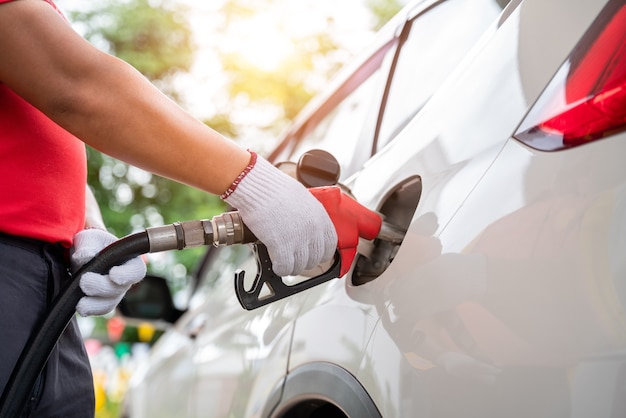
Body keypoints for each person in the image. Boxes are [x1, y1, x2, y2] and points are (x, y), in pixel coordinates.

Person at [0, 0, 338, 416]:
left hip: (43, 288)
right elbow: (76, 88)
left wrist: (89, 226)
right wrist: (255, 183)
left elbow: (45, 125)